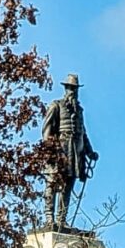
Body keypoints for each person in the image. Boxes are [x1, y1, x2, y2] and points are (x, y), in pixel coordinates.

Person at [42, 73, 98, 229]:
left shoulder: (79, 111)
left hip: (75, 154)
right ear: (65, 88)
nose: (72, 91)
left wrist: (90, 152)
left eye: (75, 89)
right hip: (59, 152)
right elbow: (47, 132)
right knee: (52, 185)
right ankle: (49, 219)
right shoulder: (56, 106)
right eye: (70, 88)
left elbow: (82, 133)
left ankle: (61, 219)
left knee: (68, 186)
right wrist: (51, 152)